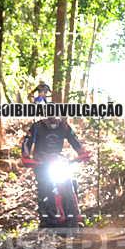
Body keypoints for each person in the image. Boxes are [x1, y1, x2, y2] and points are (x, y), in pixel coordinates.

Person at [21, 92, 90, 225]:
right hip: (41, 162)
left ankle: (75, 215)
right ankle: (46, 220)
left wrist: (82, 153)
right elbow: (27, 142)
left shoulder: (64, 126)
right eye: (50, 115)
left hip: (58, 161)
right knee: (45, 188)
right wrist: (26, 156)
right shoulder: (37, 127)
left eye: (55, 115)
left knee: (70, 182)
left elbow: (74, 140)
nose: (52, 119)